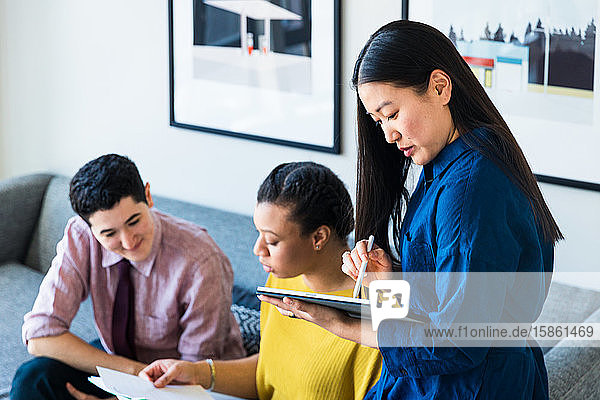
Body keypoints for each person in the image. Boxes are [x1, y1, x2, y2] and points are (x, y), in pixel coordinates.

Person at [261, 21, 562, 399]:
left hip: (468, 386)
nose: (387, 135)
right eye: (377, 121)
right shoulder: (446, 165)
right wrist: (388, 281)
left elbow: (456, 341)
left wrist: (340, 324)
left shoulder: (471, 186)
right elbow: (442, 302)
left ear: (440, 86)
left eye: (391, 114)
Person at [131, 162, 382, 400]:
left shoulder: (376, 310)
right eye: (258, 234)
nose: (257, 249)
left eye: (272, 240)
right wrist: (194, 373)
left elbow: (415, 334)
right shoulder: (281, 280)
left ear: (319, 237)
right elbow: (269, 373)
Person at [11, 154, 244, 400]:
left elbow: (191, 378)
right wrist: (132, 373)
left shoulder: (200, 259)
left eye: (134, 221)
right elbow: (40, 335)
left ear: (148, 196)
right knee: (33, 379)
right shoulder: (81, 236)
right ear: (89, 226)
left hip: (191, 382)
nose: (128, 242)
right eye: (109, 233)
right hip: (127, 367)